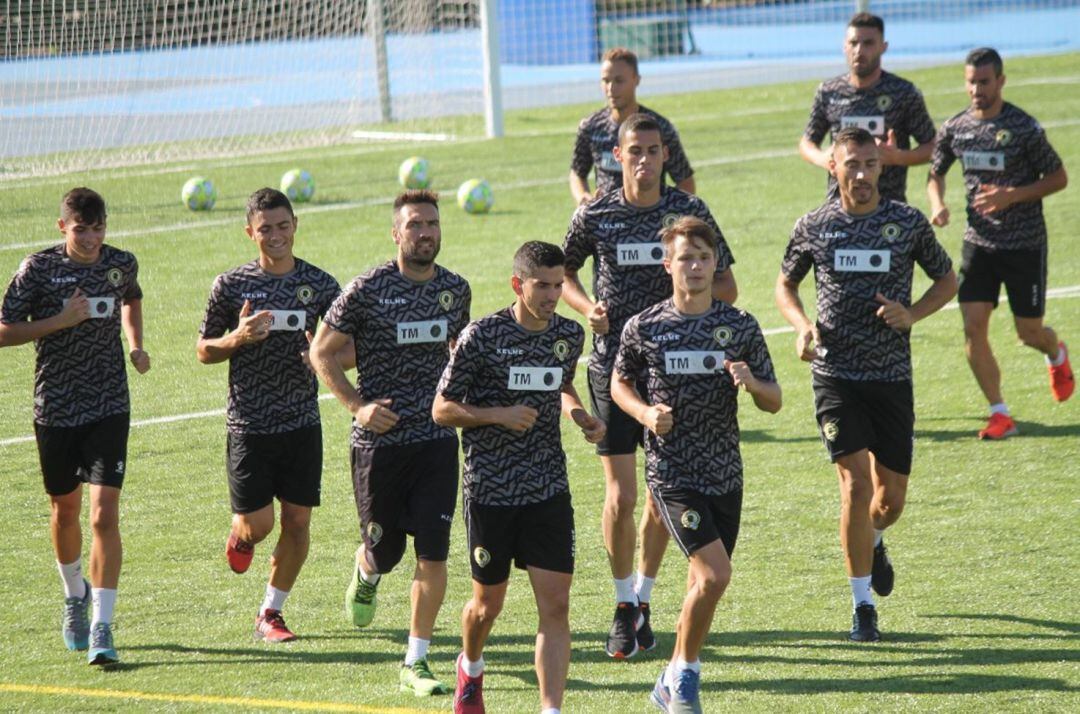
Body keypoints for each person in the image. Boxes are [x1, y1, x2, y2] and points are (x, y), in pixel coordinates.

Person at [563, 112, 737, 660]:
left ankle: (643, 596)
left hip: (676, 379)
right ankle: (621, 606)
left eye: (653, 150)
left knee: (662, 500)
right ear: (616, 157)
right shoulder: (595, 211)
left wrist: (687, 329)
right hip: (613, 368)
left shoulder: (689, 213)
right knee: (621, 494)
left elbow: (728, 284)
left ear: (666, 156)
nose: (644, 158)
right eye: (633, 150)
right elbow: (562, 271)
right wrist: (586, 305)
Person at [776, 127, 957, 641]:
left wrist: (913, 313)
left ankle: (875, 540)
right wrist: (802, 325)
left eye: (869, 164)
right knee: (854, 485)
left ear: (882, 167)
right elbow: (785, 283)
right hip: (835, 376)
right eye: (850, 163)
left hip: (891, 378)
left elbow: (947, 279)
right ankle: (862, 608)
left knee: (889, 500)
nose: (860, 174)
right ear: (832, 167)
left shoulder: (906, 222)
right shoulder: (814, 226)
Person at [612, 216, 781, 714]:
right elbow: (619, 385)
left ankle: (669, 677)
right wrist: (645, 413)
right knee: (714, 576)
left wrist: (751, 383)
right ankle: (685, 677)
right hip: (673, 473)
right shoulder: (644, 327)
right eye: (686, 258)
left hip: (725, 472)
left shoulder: (740, 325)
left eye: (704, 258)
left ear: (715, 265)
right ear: (668, 265)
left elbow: (774, 400)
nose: (696, 266)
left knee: (701, 584)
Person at [308, 190, 471, 695]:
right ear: (396, 234)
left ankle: (415, 661)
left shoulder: (455, 290)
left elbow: (462, 356)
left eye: (432, 224)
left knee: (434, 554)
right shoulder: (367, 289)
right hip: (380, 447)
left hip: (437, 443)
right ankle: (367, 569)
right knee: (386, 551)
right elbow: (322, 353)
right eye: (415, 225)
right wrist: (358, 407)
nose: (425, 233)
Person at [432, 241, 605, 714]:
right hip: (491, 491)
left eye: (558, 285)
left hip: (548, 488)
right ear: (518, 285)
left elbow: (561, 383)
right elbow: (442, 408)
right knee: (486, 607)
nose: (553, 295)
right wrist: (497, 415)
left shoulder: (568, 336)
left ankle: (551, 709)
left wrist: (579, 415)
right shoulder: (481, 336)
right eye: (543, 286)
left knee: (556, 607)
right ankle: (470, 665)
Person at [0, 187, 149, 665]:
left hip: (109, 405)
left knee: (103, 515)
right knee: (65, 513)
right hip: (56, 409)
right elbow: (3, 330)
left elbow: (132, 296)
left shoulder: (121, 263)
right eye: (81, 229)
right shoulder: (38, 269)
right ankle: (74, 596)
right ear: (62, 227)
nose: (91, 238)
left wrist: (135, 343)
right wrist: (60, 321)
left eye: (98, 228)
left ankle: (104, 625)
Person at [196, 188, 342, 643]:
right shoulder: (231, 285)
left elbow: (348, 347)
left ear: (295, 225)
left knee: (297, 523)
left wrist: (318, 357)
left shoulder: (320, 285)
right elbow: (203, 350)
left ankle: (270, 613)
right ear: (250, 233)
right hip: (250, 425)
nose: (275, 236)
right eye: (265, 229)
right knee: (258, 526)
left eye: (283, 226)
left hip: (302, 423)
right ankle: (240, 536)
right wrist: (236, 338)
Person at [927, 47, 1072, 439]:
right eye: (971, 81)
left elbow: (1058, 177)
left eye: (985, 81)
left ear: (1001, 81)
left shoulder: (1023, 127)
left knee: (1029, 332)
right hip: (979, 245)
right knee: (973, 328)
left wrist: (1013, 195)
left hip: (1024, 245)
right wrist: (937, 204)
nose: (977, 89)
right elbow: (935, 172)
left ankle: (1056, 353)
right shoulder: (956, 127)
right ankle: (1000, 412)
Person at [800, 12, 936, 203]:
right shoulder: (829, 91)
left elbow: (933, 146)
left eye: (868, 43)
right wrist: (823, 158)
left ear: (883, 47)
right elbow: (807, 143)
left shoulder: (903, 92)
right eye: (854, 43)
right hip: (839, 206)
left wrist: (898, 157)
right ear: (844, 46)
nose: (859, 50)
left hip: (889, 207)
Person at [570, 47, 695, 205]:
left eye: (619, 81)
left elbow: (685, 180)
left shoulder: (658, 128)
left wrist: (669, 213)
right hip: (607, 221)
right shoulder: (591, 127)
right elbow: (577, 172)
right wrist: (583, 197)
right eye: (606, 81)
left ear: (636, 80)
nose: (611, 88)